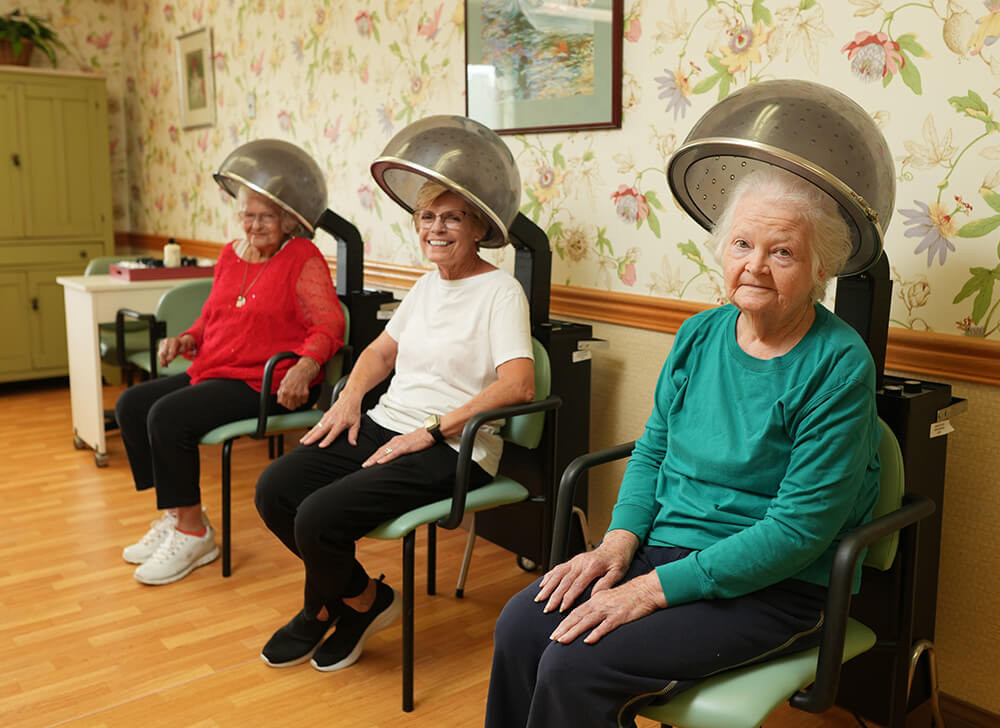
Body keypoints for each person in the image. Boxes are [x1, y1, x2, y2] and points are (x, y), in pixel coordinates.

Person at [485, 167, 882, 727]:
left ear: (819, 269)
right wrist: (618, 545)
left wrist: (651, 590)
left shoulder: (839, 364)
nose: (755, 265)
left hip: (775, 585)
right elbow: (653, 453)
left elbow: (798, 532)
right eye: (742, 244)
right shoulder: (699, 335)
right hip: (664, 549)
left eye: (783, 252)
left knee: (577, 666)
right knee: (521, 628)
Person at [254, 179, 535, 673]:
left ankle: (325, 608)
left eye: (451, 217)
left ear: (479, 229)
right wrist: (350, 400)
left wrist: (429, 431)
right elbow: (381, 352)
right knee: (275, 488)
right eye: (427, 217)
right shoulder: (427, 286)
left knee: (317, 517)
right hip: (387, 424)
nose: (436, 228)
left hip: (452, 447)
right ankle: (364, 599)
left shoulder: (501, 292)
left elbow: (518, 386)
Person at [115, 184, 344, 586]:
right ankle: (177, 513)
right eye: (249, 215)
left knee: (167, 417)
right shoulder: (229, 254)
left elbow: (329, 323)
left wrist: (306, 367)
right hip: (215, 369)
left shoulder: (301, 258)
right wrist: (187, 338)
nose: (255, 225)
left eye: (267, 217)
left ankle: (194, 534)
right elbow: (211, 317)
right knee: (132, 405)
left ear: (288, 221)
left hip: (263, 382)